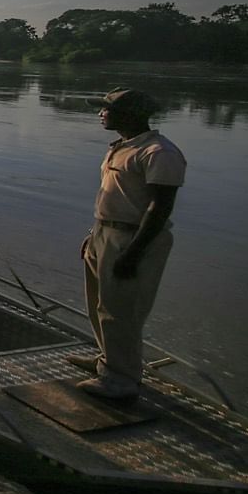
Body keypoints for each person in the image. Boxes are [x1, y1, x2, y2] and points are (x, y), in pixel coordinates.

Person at [75, 88, 186, 401]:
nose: (101, 114)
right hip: (105, 232)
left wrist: (133, 252)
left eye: (106, 109)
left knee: (121, 310)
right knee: (100, 305)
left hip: (132, 239)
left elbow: (160, 207)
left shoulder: (159, 152)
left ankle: (122, 380)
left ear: (131, 114)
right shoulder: (122, 147)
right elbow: (116, 197)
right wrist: (94, 235)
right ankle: (107, 363)